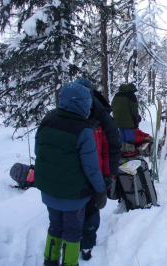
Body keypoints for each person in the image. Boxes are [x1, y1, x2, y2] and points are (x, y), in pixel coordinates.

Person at [34, 82, 107, 266]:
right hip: (73, 196)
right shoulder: (83, 130)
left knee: (55, 227)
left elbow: (39, 151)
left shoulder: (46, 121)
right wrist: (101, 191)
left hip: (49, 191)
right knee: (72, 233)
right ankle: (70, 263)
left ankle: (50, 262)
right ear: (82, 104)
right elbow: (91, 168)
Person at [74, 79, 122, 260]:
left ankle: (86, 245)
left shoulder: (101, 117)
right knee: (74, 213)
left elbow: (112, 148)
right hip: (74, 176)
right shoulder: (68, 115)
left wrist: (109, 175)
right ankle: (73, 241)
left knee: (92, 212)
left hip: (96, 176)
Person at [111, 83, 139, 156]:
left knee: (122, 136)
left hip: (117, 120)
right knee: (130, 136)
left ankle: (122, 151)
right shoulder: (131, 96)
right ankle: (129, 152)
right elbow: (134, 110)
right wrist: (136, 120)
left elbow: (112, 106)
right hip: (128, 121)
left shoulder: (117, 95)